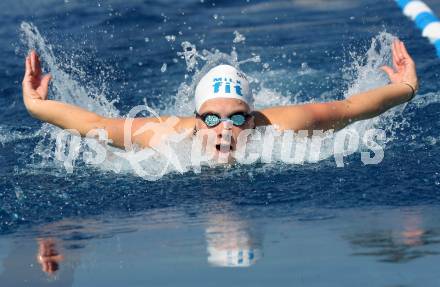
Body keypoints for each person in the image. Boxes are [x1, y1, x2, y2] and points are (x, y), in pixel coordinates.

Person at [22, 40, 418, 160]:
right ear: (197, 121)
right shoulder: (162, 138)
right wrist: (36, 106)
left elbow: (347, 110)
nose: (225, 129)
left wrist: (406, 89)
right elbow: (94, 126)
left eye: (237, 118)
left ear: (253, 118)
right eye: (212, 119)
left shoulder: (280, 127)